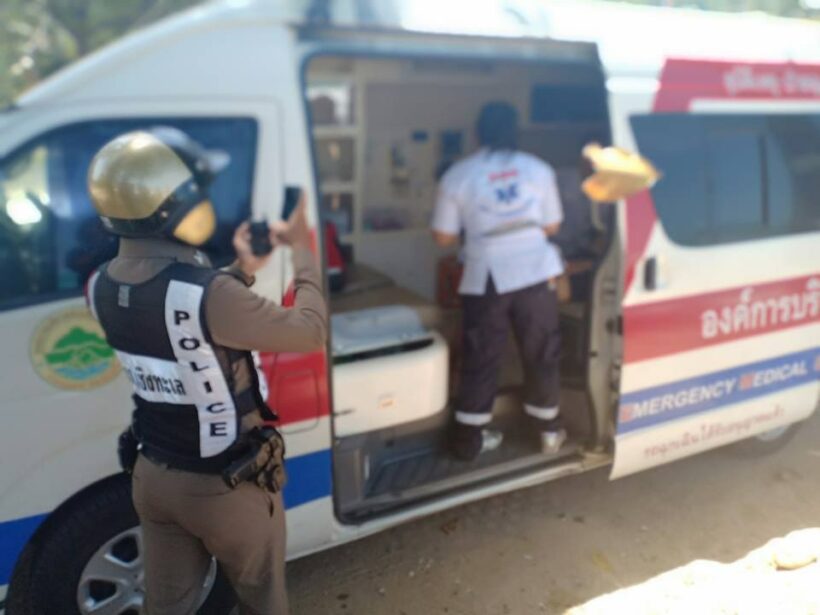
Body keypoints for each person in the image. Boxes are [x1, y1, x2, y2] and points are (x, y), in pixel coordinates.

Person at [85, 126, 327, 615]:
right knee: (264, 601)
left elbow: (180, 321)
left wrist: (239, 269)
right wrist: (304, 252)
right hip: (225, 488)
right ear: (174, 209)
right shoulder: (209, 294)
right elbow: (308, 331)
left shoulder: (101, 286)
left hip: (153, 478)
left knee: (166, 606)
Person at [431, 102, 565, 461]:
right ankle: (548, 430)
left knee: (482, 354)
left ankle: (468, 441)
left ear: (478, 133)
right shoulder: (538, 169)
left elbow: (443, 237)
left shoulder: (458, 174)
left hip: (486, 274)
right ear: (515, 132)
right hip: (536, 272)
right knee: (541, 350)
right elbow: (552, 227)